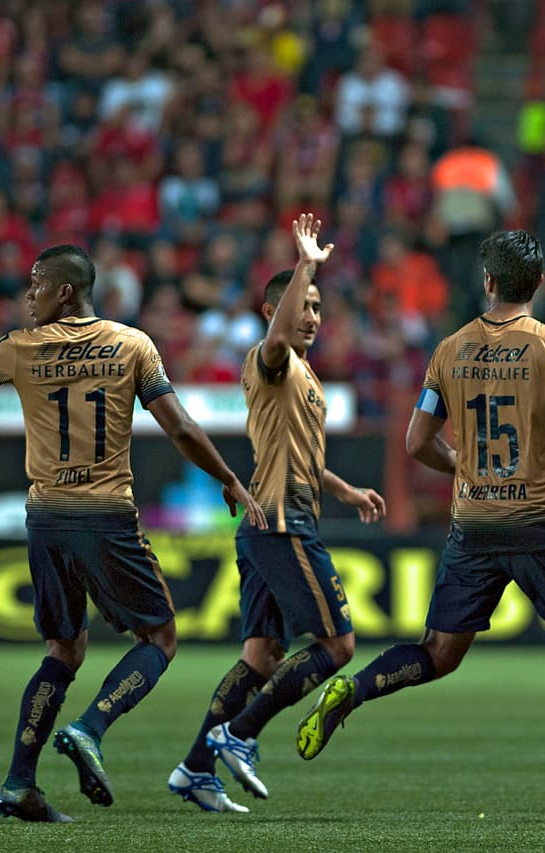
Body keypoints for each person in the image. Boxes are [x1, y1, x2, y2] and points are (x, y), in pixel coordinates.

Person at [0, 244, 264, 823]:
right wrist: (230, 478)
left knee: (63, 650)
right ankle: (90, 727)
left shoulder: (17, 349)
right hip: (105, 514)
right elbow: (179, 426)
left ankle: (18, 785)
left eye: (36, 285)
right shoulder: (132, 345)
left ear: (65, 291)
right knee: (158, 640)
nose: (27, 296)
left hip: (46, 518)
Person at [295, 229, 545, 822]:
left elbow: (417, 441)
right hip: (540, 520)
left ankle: (356, 689)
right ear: (540, 284)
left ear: (488, 281)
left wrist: (466, 467)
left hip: (473, 522)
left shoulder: (450, 349)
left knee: (439, 653)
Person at [168, 214, 386, 812]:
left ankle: (194, 769)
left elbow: (298, 456)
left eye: (318, 307)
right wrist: (308, 263)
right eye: (303, 305)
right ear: (274, 313)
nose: (312, 315)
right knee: (339, 647)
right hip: (283, 522)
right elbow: (282, 338)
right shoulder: (274, 358)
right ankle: (239, 734)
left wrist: (345, 491)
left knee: (261, 656)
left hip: (265, 522)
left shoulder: (305, 377)